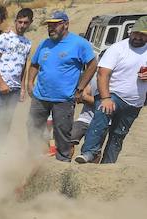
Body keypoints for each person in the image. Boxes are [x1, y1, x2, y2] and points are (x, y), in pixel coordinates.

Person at [75, 17, 147, 164]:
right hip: (113, 95)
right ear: (131, 32)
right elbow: (103, 73)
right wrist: (106, 98)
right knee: (100, 118)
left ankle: (108, 164)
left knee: (118, 134)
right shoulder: (117, 48)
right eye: (136, 33)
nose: (138, 37)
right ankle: (89, 152)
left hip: (135, 102)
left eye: (143, 34)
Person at [27, 11, 97, 162]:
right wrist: (29, 83)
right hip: (40, 96)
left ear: (66, 24)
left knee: (62, 133)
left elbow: (92, 65)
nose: (51, 28)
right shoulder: (45, 43)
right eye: (49, 25)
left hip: (64, 98)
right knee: (32, 128)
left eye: (55, 25)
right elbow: (34, 64)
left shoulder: (79, 43)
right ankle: (33, 159)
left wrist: (80, 88)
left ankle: (62, 164)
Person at [0, 8, 33, 136]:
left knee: (7, 120)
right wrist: (1, 83)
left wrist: (22, 88)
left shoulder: (28, 43)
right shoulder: (4, 38)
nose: (22, 25)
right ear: (15, 21)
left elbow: (23, 66)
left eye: (25, 23)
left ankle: (1, 147)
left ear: (30, 23)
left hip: (15, 87)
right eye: (20, 22)